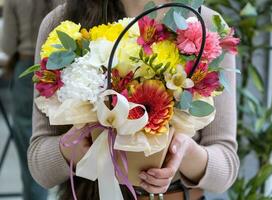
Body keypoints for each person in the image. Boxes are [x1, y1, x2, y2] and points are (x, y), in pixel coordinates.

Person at [28, 0, 240, 199]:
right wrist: (73, 146)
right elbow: (39, 166)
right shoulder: (63, 24)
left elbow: (226, 168)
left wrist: (184, 152)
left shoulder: (205, 26)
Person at [1, 0, 63, 199]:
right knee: (59, 140)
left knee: (29, 140)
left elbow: (7, 45)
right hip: (60, 70)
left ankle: (34, 195)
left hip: (27, 69)